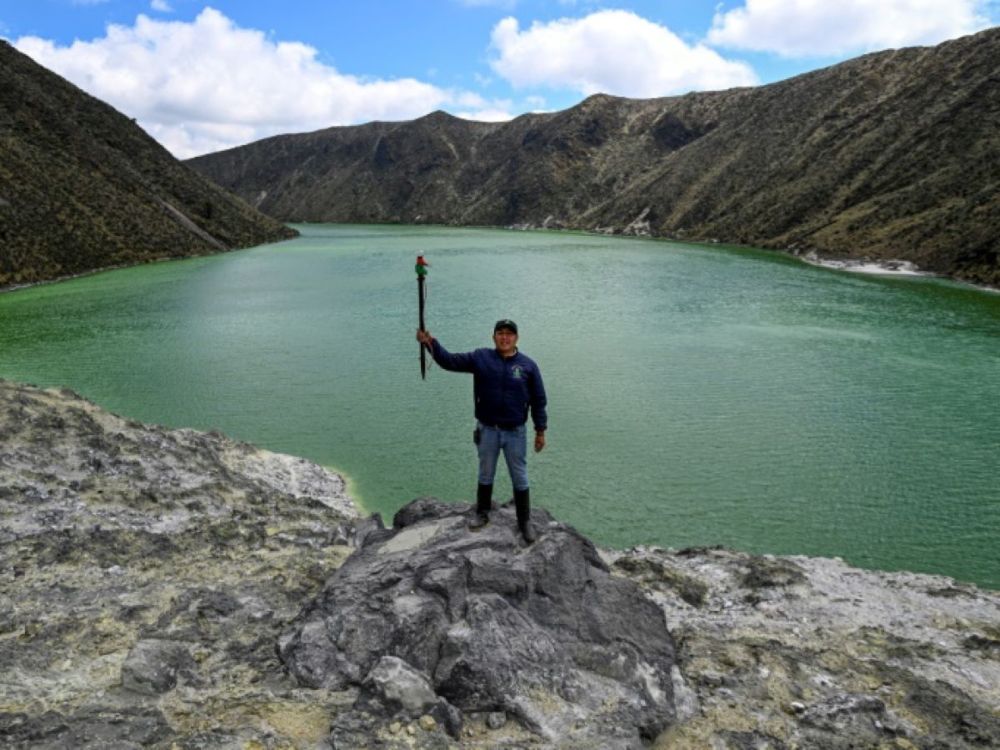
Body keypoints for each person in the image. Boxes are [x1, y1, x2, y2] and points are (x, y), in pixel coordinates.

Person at [416, 319, 547, 542]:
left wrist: (540, 430)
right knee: (485, 473)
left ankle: (524, 522)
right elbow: (449, 361)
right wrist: (430, 343)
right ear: (493, 337)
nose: (504, 337)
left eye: (509, 334)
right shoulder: (481, 358)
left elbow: (539, 400)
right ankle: (482, 513)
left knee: (520, 477)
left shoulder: (528, 366)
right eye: (500, 333)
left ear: (516, 338)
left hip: (515, 432)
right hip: (487, 430)